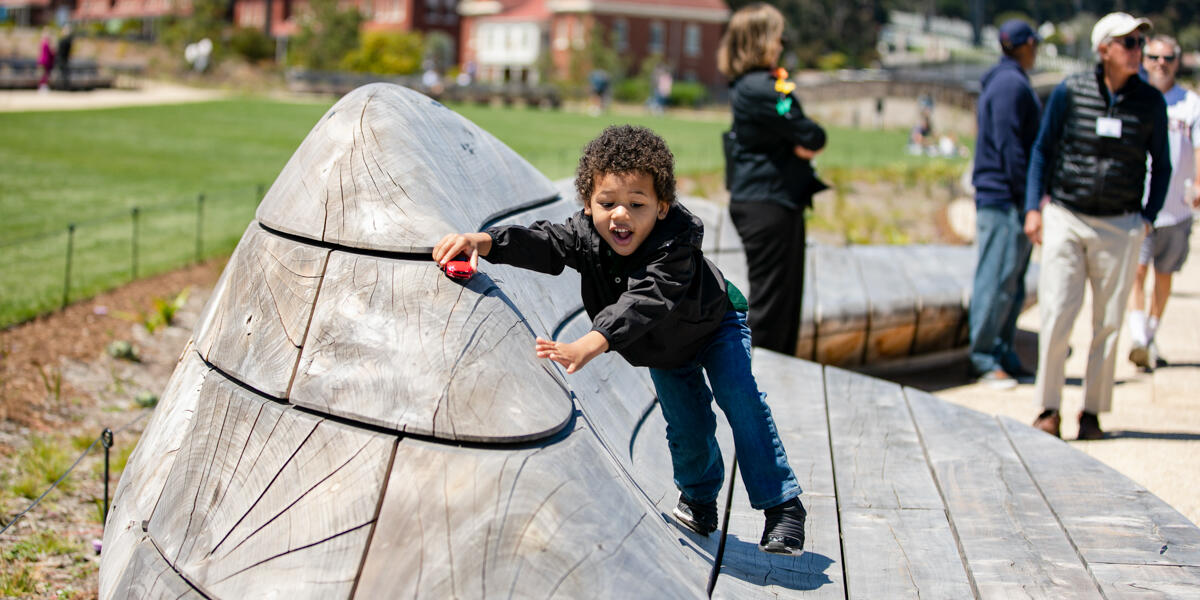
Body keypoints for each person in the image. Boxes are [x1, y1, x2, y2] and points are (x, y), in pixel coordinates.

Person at [433, 125, 808, 555]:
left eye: (637, 204)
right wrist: (484, 241)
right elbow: (546, 243)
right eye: (606, 203)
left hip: (714, 323)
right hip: (665, 347)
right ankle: (701, 500)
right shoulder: (586, 235)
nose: (620, 216)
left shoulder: (678, 242)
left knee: (739, 398)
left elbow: (648, 299)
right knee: (687, 425)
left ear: (663, 206)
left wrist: (591, 342)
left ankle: (782, 507)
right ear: (589, 204)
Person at [1025, 12, 1171, 440]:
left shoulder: (1150, 102)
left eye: (1141, 43)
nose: (1138, 51)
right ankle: (1048, 408)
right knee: (1056, 313)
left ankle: (1091, 413)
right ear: (1104, 48)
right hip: (1067, 215)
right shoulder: (1071, 91)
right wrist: (1035, 209)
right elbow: (1042, 150)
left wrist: (1147, 218)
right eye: (1128, 42)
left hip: (1120, 222)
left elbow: (1161, 166)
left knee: (1108, 323)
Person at [718, 2, 827, 355]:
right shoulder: (765, 88)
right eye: (777, 38)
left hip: (771, 201)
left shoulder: (751, 85)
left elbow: (804, 135)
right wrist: (799, 141)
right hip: (769, 204)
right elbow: (812, 135)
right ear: (760, 41)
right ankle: (758, 387)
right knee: (772, 309)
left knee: (782, 304)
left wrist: (799, 140)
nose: (781, 45)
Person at [967, 19, 1042, 389]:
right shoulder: (1011, 84)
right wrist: (1026, 198)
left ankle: (1002, 351)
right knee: (996, 278)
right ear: (1026, 45)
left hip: (1005, 194)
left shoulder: (1003, 80)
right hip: (1004, 197)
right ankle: (983, 356)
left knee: (1011, 280)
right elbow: (1010, 147)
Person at [1127, 35, 1200, 371]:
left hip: (1177, 206)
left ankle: (1151, 334)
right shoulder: (1136, 99)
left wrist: (1198, 183)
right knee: (1136, 272)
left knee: (1164, 274)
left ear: (1177, 61)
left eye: (1167, 58)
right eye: (1154, 57)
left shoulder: (1191, 103)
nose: (1161, 63)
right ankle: (1138, 337)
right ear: (1144, 60)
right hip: (1140, 204)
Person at [56, 25, 73, 91]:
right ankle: (64, 87)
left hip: (62, 59)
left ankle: (62, 87)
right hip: (64, 59)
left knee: (63, 74)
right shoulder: (68, 40)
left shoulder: (64, 41)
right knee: (64, 74)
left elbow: (59, 50)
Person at [37, 28, 55, 93]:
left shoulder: (44, 42)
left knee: (45, 74)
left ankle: (43, 86)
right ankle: (42, 87)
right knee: (44, 74)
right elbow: (49, 53)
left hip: (45, 61)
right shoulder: (45, 43)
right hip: (44, 61)